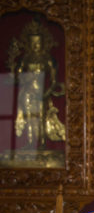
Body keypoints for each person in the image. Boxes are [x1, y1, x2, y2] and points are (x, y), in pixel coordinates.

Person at [8, 17, 66, 148]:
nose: (35, 46)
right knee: (29, 118)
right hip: (26, 92)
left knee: (41, 117)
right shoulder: (25, 59)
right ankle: (30, 143)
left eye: (38, 42)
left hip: (41, 93)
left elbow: (54, 80)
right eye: (32, 42)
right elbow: (17, 76)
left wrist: (47, 93)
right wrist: (13, 63)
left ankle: (42, 143)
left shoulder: (48, 59)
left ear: (43, 43)